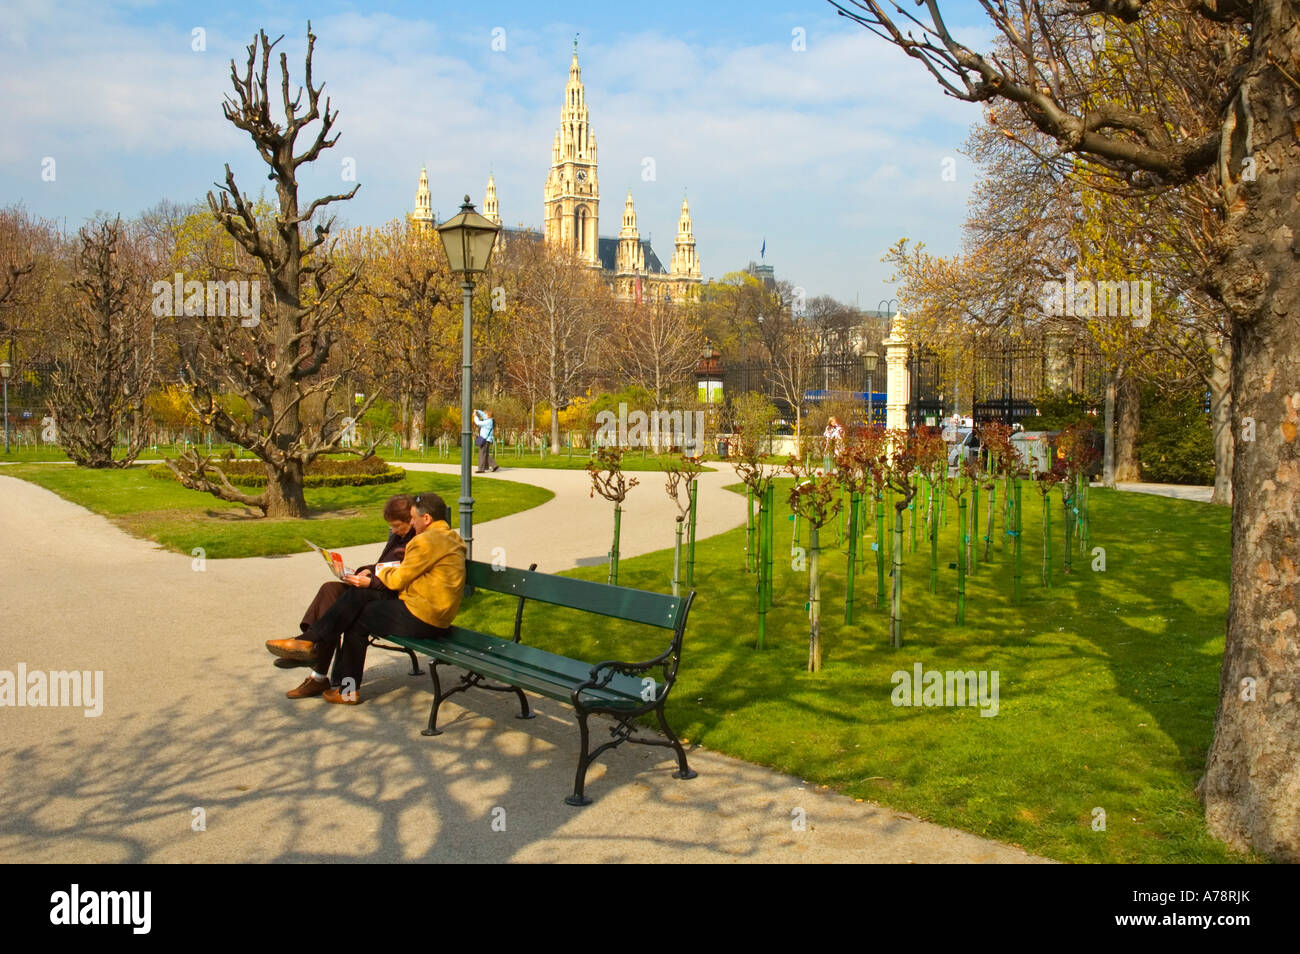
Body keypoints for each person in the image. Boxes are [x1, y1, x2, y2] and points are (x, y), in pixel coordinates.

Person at [266, 492, 467, 704]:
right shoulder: (450, 537)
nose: (413, 524)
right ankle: (322, 660)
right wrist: (375, 574)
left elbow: (398, 579)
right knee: (353, 603)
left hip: (422, 616)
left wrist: (376, 575)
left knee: (359, 614)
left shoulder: (426, 540)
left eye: (414, 519)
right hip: (433, 615)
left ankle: (315, 649)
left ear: (426, 519)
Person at [268, 494, 416, 673]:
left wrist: (370, 582)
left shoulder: (417, 542)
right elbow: (384, 565)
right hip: (375, 586)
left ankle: (313, 655)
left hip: (391, 595)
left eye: (396, 526)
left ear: (412, 519)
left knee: (351, 610)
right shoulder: (398, 537)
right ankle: (310, 654)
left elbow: (403, 575)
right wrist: (366, 570)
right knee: (329, 589)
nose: (393, 531)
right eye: (391, 526)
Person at [473, 408, 499, 473]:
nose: (484, 415)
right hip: (487, 440)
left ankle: (481, 469)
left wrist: (475, 416)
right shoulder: (490, 420)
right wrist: (477, 411)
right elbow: (483, 415)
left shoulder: (488, 422)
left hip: (485, 440)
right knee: (485, 454)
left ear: (488, 415)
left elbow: (478, 423)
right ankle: (494, 465)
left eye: (486, 414)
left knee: (482, 454)